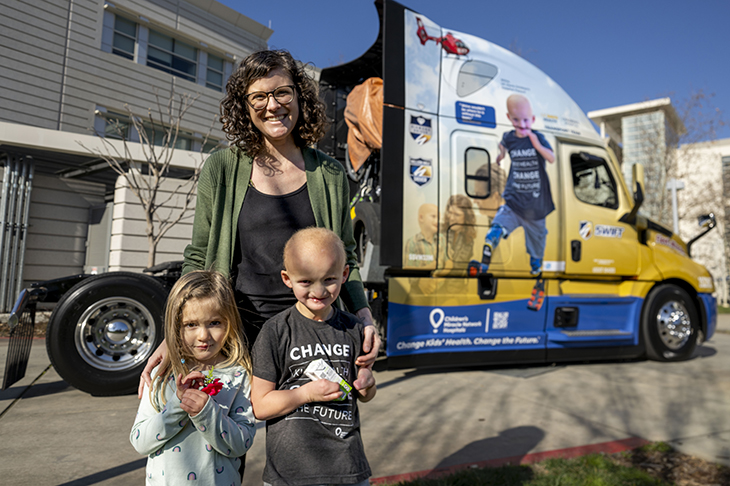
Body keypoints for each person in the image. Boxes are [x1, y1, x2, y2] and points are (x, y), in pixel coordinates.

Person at [139, 50, 379, 396]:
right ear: (244, 106)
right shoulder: (221, 168)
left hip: (309, 335)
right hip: (234, 334)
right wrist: (173, 334)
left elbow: (347, 258)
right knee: (225, 442)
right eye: (259, 97)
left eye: (282, 92)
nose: (273, 105)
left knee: (306, 443)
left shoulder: (330, 174)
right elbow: (198, 258)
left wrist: (365, 317)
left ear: (299, 95)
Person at [251, 228, 376, 486]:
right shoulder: (275, 331)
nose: (318, 291)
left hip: (347, 469)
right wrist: (305, 394)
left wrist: (367, 384)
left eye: (329, 279)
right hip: (289, 474)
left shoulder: (354, 329)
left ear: (344, 275)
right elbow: (260, 406)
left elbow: (364, 395)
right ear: (287, 278)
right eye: (306, 282)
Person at [130, 271, 255, 486]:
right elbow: (140, 441)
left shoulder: (238, 375)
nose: (203, 336)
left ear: (230, 322)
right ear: (175, 326)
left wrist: (207, 413)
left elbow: (241, 443)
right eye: (191, 325)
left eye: (214, 323)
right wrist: (178, 406)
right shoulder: (161, 373)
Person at [480, 94, 555, 275]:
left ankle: (535, 264)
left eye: (526, 120)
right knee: (503, 218)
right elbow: (503, 144)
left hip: (536, 205)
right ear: (509, 118)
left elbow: (551, 157)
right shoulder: (509, 138)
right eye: (516, 119)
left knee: (537, 237)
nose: (521, 124)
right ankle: (493, 237)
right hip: (515, 199)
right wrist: (500, 155)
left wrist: (536, 145)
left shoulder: (538, 137)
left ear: (533, 119)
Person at [403, 203, 442, 269]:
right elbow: (408, 268)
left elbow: (449, 263)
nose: (437, 221)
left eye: (439, 218)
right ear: (421, 218)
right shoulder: (412, 242)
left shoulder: (442, 239)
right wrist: (431, 267)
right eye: (433, 216)